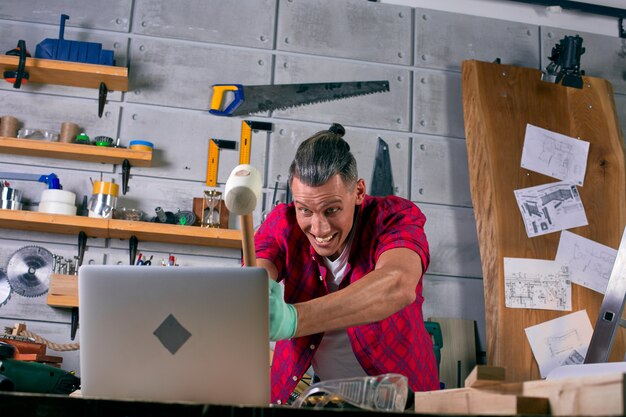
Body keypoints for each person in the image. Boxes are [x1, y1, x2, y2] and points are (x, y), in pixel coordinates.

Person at [255, 123, 439, 404]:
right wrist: (255, 291)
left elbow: (397, 284)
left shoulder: (393, 218)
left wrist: (294, 319)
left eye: (332, 210)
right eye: (306, 210)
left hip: (405, 399)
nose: (319, 227)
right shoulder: (283, 223)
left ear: (359, 192)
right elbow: (257, 269)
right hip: (327, 396)